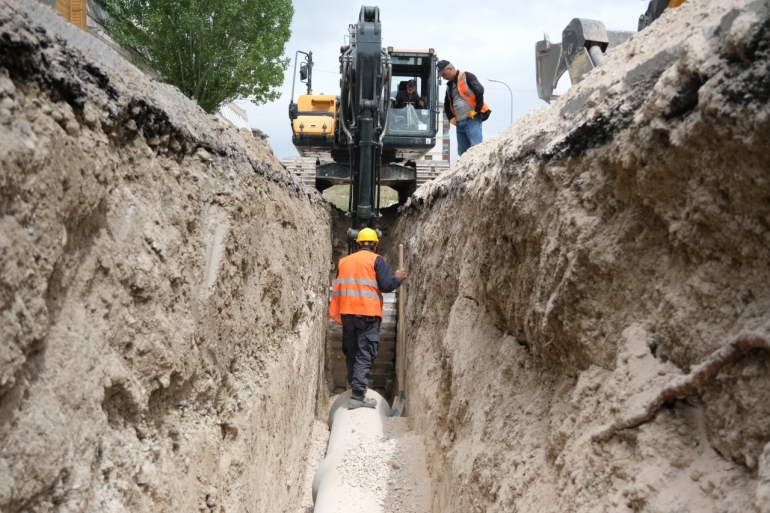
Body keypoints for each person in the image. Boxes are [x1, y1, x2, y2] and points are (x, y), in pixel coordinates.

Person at [329, 228, 408, 409]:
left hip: (347, 313)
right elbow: (386, 286)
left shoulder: (344, 262)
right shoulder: (377, 260)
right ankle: (358, 395)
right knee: (365, 354)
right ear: (375, 244)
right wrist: (397, 278)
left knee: (352, 351)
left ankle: (354, 388)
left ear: (357, 244)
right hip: (368, 315)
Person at [436, 60, 491, 156]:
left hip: (471, 119)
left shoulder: (466, 76)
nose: (444, 78)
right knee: (462, 153)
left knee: (476, 148)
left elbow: (480, 90)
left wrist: (477, 110)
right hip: (460, 123)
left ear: (450, 69)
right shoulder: (449, 87)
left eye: (444, 75)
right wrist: (450, 118)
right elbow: (446, 104)